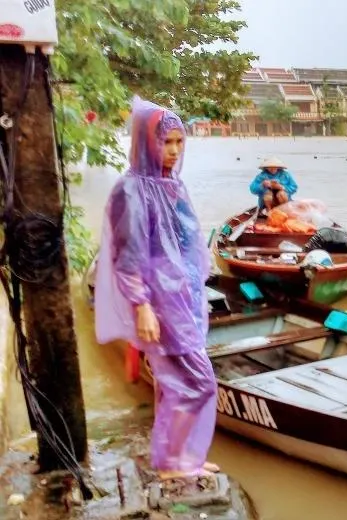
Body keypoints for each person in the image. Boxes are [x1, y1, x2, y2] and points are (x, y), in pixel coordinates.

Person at [93, 97, 219, 482]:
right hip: (160, 303)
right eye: (167, 142)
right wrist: (142, 305)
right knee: (198, 383)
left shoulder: (171, 184)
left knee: (174, 385)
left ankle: (176, 458)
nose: (174, 151)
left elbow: (187, 245)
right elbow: (127, 258)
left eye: (180, 143)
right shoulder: (130, 191)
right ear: (146, 142)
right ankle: (173, 463)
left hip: (184, 299)